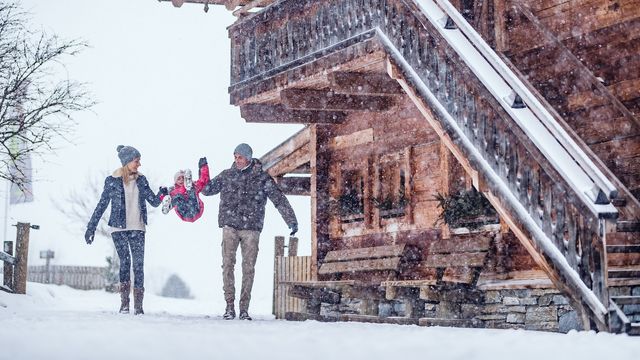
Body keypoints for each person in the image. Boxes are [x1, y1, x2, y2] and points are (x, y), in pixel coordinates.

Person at [202, 143, 298, 320]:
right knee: (227, 266)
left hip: (251, 229)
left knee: (248, 269)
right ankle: (229, 306)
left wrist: (291, 220)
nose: (237, 160)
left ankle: (244, 308)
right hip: (230, 226)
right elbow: (207, 190)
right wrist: (203, 171)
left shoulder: (261, 178)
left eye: (240, 157)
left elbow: (279, 199)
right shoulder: (227, 175)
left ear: (248, 158)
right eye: (235, 156)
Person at [85, 145, 167, 315]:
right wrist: (91, 227)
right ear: (128, 161)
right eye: (137, 161)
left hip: (138, 227)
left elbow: (153, 201)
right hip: (118, 228)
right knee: (125, 262)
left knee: (138, 265)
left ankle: (138, 306)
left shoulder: (142, 180)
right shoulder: (112, 180)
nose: (139, 164)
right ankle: (124, 304)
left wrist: (162, 194)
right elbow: (102, 204)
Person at [161, 157, 210, 222]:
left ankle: (188, 187)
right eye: (179, 179)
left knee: (191, 190)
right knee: (177, 198)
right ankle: (167, 207)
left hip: (195, 209)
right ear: (175, 182)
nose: (181, 180)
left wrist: (203, 166)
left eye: (183, 178)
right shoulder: (173, 192)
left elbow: (203, 181)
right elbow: (165, 199)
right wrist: (164, 194)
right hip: (184, 213)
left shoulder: (194, 185)